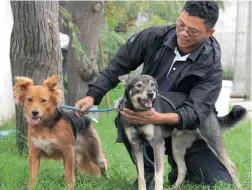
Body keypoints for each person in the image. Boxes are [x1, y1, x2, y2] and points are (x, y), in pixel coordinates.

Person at [75, 1, 233, 189]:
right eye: (181, 24)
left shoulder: (211, 64)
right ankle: (148, 173)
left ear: (209, 33)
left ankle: (179, 164)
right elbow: (118, 65)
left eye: (192, 31)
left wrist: (159, 117)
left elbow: (197, 111)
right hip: (147, 117)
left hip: (188, 128)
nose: (183, 33)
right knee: (126, 114)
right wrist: (93, 95)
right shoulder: (154, 36)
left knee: (216, 181)